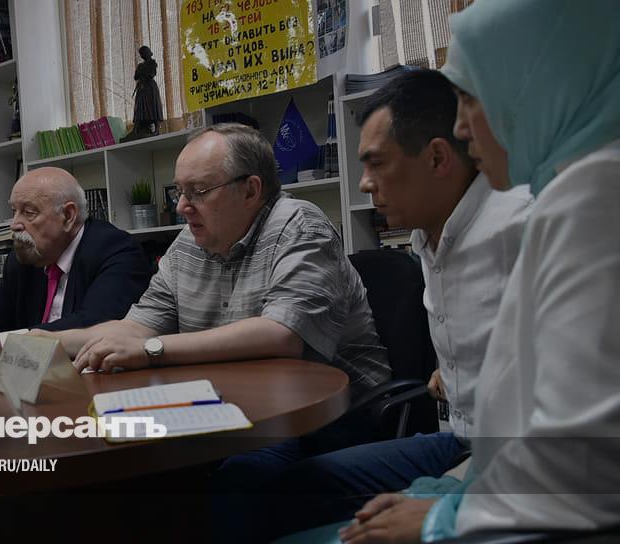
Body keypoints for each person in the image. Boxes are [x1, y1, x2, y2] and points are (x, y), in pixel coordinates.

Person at [333, 1, 620, 541]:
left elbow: (585, 466)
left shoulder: (588, 196)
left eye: (470, 98)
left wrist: (445, 516)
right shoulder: (570, 187)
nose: (463, 129)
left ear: (536, 83)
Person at [225, 69, 531, 542]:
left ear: (437, 157)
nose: (365, 184)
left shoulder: (520, 230)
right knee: (270, 487)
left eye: (377, 163)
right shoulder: (428, 237)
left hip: (518, 459)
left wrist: (445, 506)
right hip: (464, 440)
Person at [47, 123, 388, 387]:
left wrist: (153, 351)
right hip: (240, 400)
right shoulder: (188, 242)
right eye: (180, 192)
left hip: (331, 408)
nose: (182, 207)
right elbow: (137, 328)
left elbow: (283, 334)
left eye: (199, 191)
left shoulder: (300, 226)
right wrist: (44, 341)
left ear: (250, 190)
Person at [0, 167, 151, 354]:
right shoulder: (24, 258)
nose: (15, 224)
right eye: (14, 211)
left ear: (68, 216)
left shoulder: (117, 251)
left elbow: (91, 325)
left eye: (29, 212)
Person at [120, 45, 164, 142]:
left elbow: (151, 74)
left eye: (144, 53)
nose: (142, 55)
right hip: (142, 89)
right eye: (141, 54)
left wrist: (143, 73)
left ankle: (156, 129)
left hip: (150, 89)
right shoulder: (141, 65)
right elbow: (136, 76)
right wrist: (141, 72)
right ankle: (137, 129)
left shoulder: (152, 63)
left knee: (152, 108)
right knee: (140, 109)